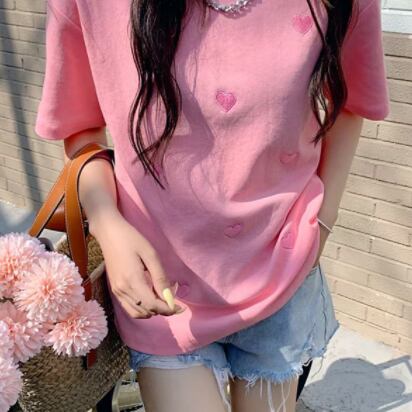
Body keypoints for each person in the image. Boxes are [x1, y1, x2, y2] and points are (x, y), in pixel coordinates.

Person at [34, 0, 390, 411]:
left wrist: (322, 225)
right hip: (162, 290)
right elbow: (81, 128)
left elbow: (352, 101)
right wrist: (107, 224)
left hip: (282, 272)